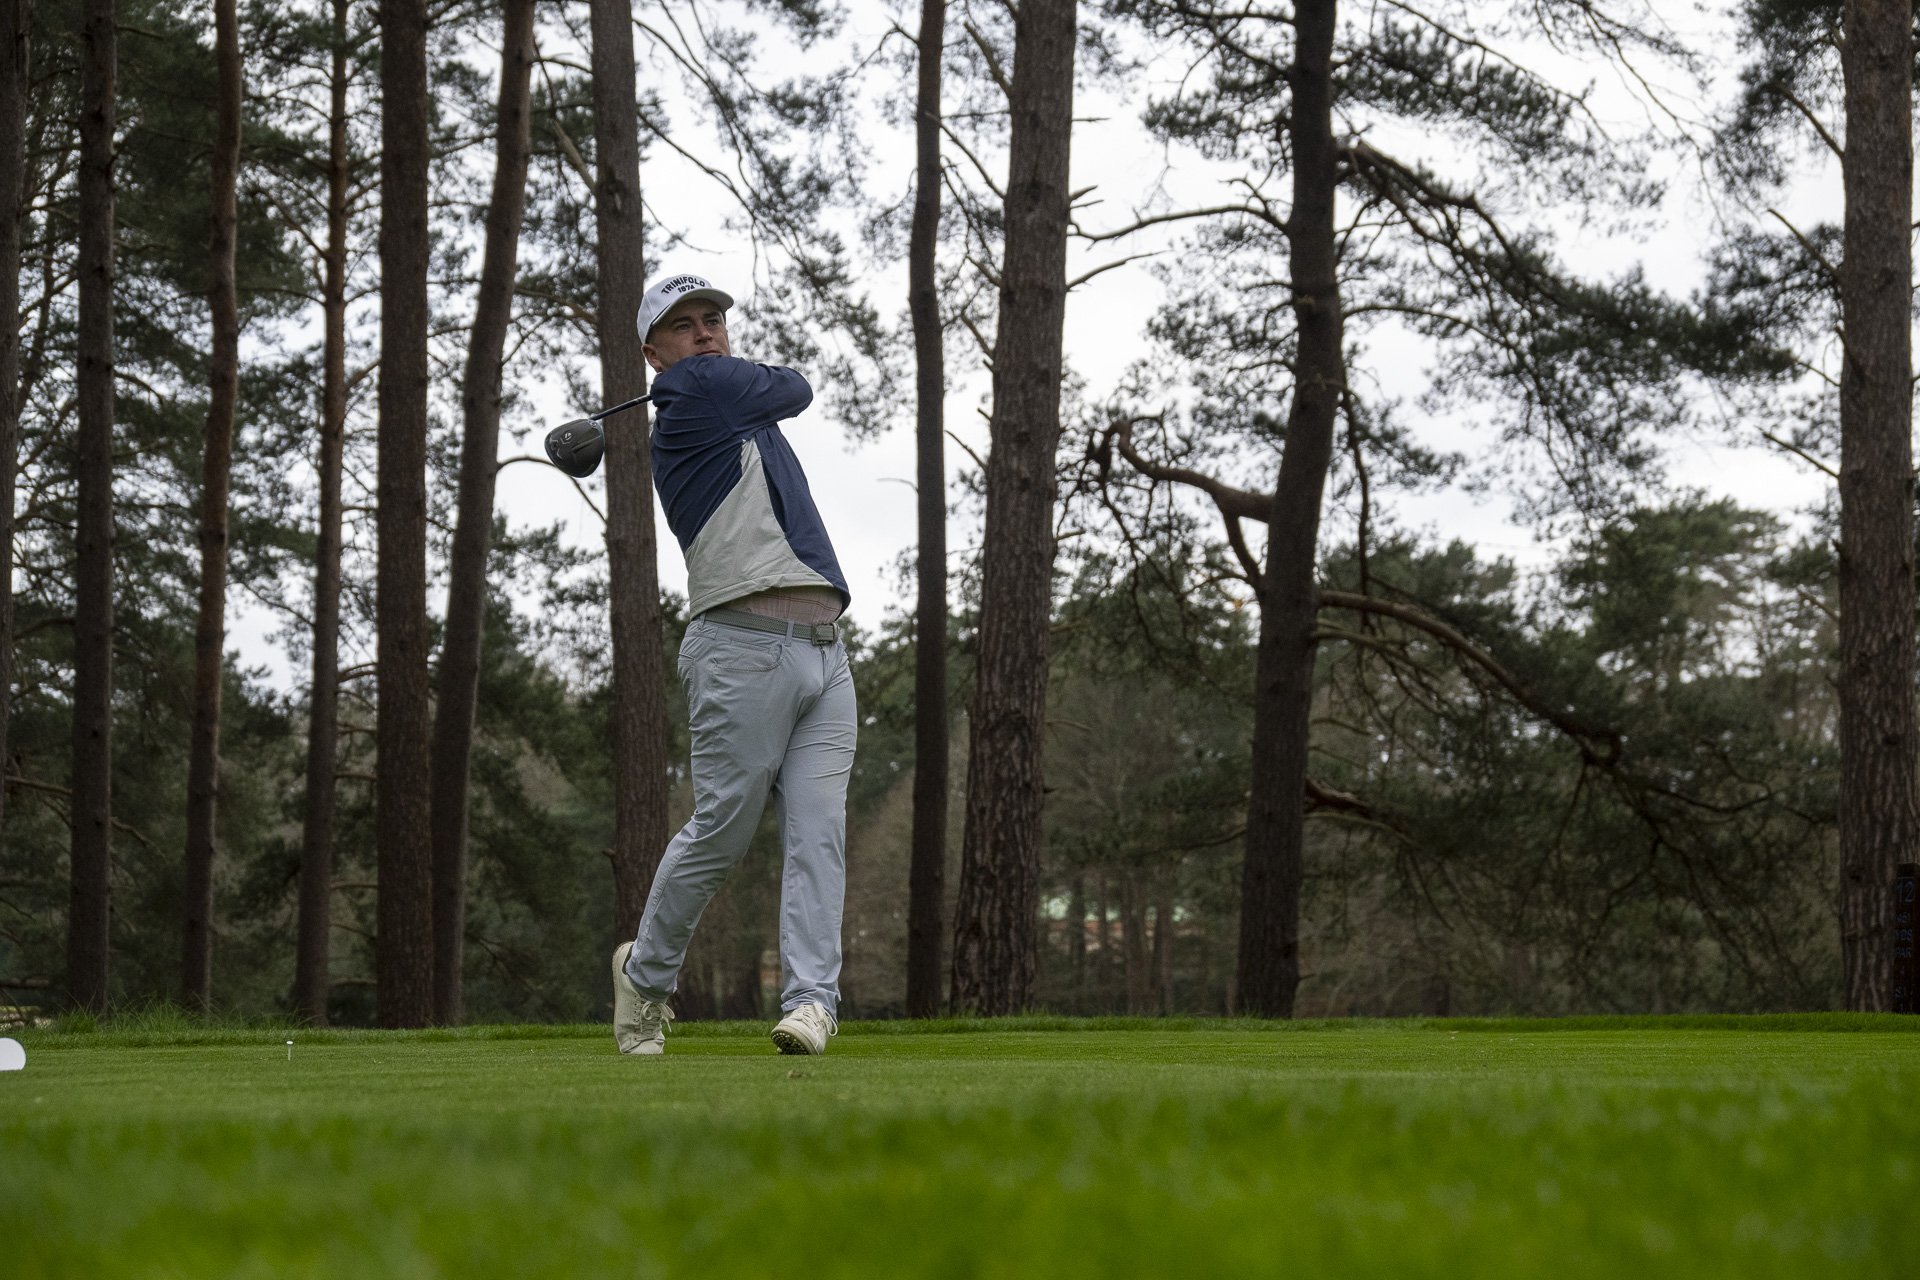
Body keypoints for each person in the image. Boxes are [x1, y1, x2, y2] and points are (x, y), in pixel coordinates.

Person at [611, 271, 856, 1056]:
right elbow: (798, 385)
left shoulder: (729, 409)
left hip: (827, 655)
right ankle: (645, 979)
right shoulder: (699, 390)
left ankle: (812, 1002)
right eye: (683, 325)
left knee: (819, 837)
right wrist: (726, 373)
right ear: (654, 354)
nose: (705, 333)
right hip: (743, 650)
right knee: (722, 831)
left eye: (713, 318)